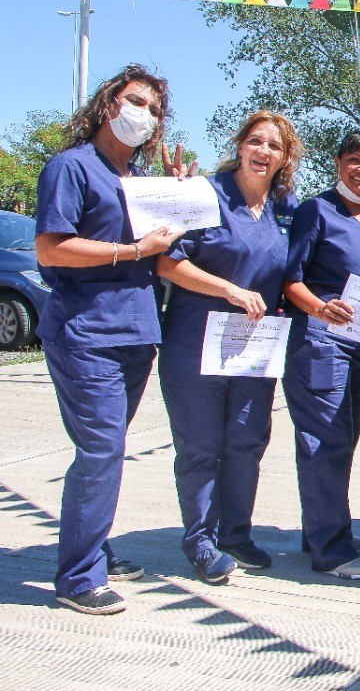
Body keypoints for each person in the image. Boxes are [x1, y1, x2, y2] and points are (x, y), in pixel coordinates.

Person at [34, 64, 184, 614]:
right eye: (135, 101)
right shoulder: (71, 167)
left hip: (136, 333)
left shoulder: (141, 180)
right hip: (85, 333)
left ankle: (92, 547)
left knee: (108, 451)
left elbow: (166, 252)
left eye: (154, 110)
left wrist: (178, 197)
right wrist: (133, 250)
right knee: (101, 449)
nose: (144, 114)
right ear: (108, 103)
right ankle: (78, 578)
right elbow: (51, 248)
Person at [156, 111, 302, 583]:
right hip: (195, 342)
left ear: (285, 158)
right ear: (240, 146)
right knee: (201, 446)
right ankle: (201, 541)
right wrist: (229, 290)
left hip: (255, 346)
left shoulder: (286, 207)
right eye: (256, 141)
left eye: (274, 146)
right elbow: (168, 263)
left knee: (246, 440)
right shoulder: (205, 194)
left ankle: (236, 533)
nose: (264, 152)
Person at [281, 131, 360, 580]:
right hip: (320, 343)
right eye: (355, 160)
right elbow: (289, 280)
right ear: (338, 163)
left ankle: (323, 530)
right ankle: (330, 551)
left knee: (343, 441)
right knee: (325, 442)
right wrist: (320, 308)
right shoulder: (316, 211)